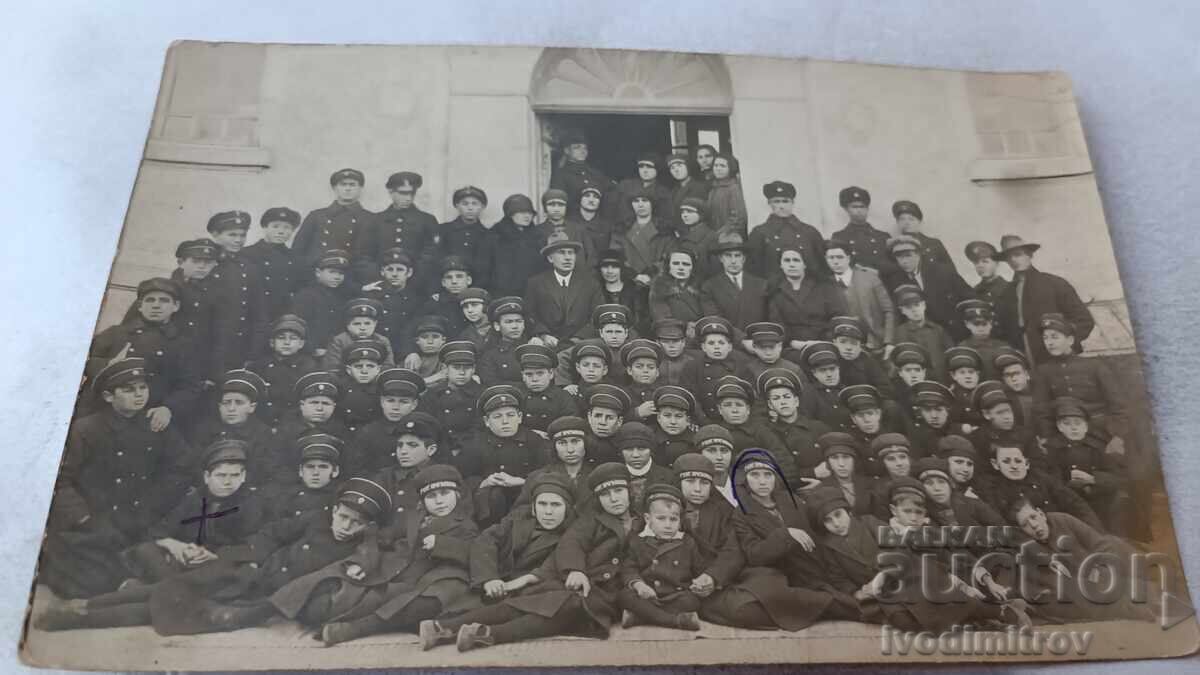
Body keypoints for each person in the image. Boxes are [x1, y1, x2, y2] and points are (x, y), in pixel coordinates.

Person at [39, 475, 392, 637]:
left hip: (258, 594)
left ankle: (78, 617)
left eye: (357, 523)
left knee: (167, 607)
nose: (345, 526)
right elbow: (272, 532)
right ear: (333, 510)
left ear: (369, 525)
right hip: (243, 569)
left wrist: (370, 541)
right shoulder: (314, 519)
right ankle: (88, 604)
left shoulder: (360, 548)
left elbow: (365, 564)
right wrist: (253, 557)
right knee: (172, 586)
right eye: (342, 516)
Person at [37, 440, 266, 631]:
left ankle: (82, 612)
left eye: (235, 475)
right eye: (221, 475)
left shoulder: (251, 504)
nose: (228, 482)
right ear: (207, 476)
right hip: (182, 569)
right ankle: (86, 609)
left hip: (218, 574)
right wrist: (175, 545)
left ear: (244, 476)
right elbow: (157, 532)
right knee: (153, 561)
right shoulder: (194, 499)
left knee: (167, 598)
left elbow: (256, 544)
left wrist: (212, 556)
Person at [41, 358, 191, 599]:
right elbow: (60, 480)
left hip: (140, 515)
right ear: (109, 397)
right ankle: (120, 585)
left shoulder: (155, 424)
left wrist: (153, 503)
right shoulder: (85, 430)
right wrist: (84, 516)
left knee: (155, 556)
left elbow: (182, 468)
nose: (139, 395)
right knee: (76, 559)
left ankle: (129, 582)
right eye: (128, 390)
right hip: (95, 516)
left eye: (142, 388)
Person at [447, 463, 636, 651]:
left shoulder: (646, 522)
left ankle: (486, 634)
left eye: (619, 491)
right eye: (605, 494)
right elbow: (571, 544)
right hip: (577, 584)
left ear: (630, 491)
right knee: (539, 603)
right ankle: (447, 628)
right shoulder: (590, 521)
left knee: (563, 605)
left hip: (611, 594)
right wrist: (575, 570)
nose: (613, 499)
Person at [813, 482, 1032, 632]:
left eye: (838, 515)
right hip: (883, 595)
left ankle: (1000, 611)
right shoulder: (829, 547)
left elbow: (899, 549)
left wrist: (883, 576)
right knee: (903, 621)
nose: (837, 523)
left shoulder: (869, 523)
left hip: (907, 577)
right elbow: (839, 579)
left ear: (848, 512)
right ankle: (977, 622)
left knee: (935, 595)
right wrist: (860, 591)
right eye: (829, 521)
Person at [318, 465, 479, 646]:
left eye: (445, 494)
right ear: (423, 501)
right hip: (400, 574)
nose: (439, 501)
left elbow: (473, 552)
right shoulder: (413, 519)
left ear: (457, 495)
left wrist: (441, 544)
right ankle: (330, 622)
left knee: (410, 606)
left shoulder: (466, 524)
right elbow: (380, 537)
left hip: (435, 581)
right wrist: (366, 561)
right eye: (431, 496)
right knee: (365, 598)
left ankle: (353, 629)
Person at [418, 473, 579, 651]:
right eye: (542, 504)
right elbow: (486, 541)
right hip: (493, 584)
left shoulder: (574, 534)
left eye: (556, 505)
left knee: (542, 603)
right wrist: (489, 578)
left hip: (528, 589)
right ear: (533, 508)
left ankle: (448, 629)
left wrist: (510, 585)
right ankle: (443, 628)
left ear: (568, 508)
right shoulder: (517, 519)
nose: (548, 512)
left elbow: (550, 568)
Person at [701, 455, 856, 631]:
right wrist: (785, 534)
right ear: (745, 478)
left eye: (768, 475)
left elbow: (819, 533)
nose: (762, 482)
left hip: (808, 571)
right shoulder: (742, 513)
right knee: (751, 607)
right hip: (776, 575)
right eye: (755, 475)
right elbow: (754, 555)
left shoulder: (792, 501)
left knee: (836, 598)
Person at [86, 277, 203, 429]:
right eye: (150, 300)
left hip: (151, 417)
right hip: (107, 414)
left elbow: (190, 386)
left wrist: (168, 408)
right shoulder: (116, 334)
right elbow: (83, 364)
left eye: (164, 300)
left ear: (176, 306)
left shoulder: (183, 344)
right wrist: (109, 365)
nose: (156, 305)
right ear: (140, 306)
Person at [994, 234, 1094, 366]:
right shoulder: (1006, 294)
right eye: (1009, 257)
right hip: (1024, 360)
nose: (1013, 260)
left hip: (1057, 358)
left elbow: (1084, 320)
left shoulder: (1054, 284)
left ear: (1029, 255)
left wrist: (1065, 344)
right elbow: (1003, 330)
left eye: (1018, 254)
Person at [617, 484, 706, 630]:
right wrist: (638, 585)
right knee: (624, 596)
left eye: (673, 519)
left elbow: (698, 568)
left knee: (692, 601)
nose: (668, 525)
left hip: (675, 595)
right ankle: (674, 621)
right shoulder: (638, 541)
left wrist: (699, 582)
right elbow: (628, 569)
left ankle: (640, 616)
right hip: (646, 594)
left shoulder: (687, 542)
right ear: (648, 518)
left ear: (680, 520)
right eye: (661, 519)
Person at [1031, 312, 1128, 442]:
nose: (1049, 342)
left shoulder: (1094, 366)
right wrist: (1047, 437)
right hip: (1063, 436)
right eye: (1046, 338)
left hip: (1100, 433)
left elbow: (1118, 405)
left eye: (1054, 337)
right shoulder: (1044, 371)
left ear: (1070, 340)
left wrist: (1117, 436)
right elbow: (1042, 409)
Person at [1044, 396, 1133, 536]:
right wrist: (1070, 485)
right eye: (1067, 424)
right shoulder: (1053, 449)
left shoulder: (1096, 447)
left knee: (1115, 504)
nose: (1073, 428)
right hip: (1068, 501)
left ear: (1086, 426)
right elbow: (1052, 480)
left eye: (1078, 423)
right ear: (1059, 427)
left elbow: (1117, 477)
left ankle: (1112, 540)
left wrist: (1093, 479)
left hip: (1097, 498)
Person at [465, 385, 548, 527]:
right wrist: (484, 482)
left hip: (526, 499)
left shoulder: (534, 440)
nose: (505, 421)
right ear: (486, 421)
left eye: (510, 415)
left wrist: (522, 481)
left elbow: (548, 471)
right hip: (492, 507)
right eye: (497, 416)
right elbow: (464, 476)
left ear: (520, 417)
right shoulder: (476, 444)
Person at [983, 441, 1103, 530]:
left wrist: (1095, 532)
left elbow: (1076, 504)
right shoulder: (994, 490)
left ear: (1027, 463)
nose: (1014, 466)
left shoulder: (1043, 479)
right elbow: (1000, 524)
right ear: (995, 464)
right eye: (1006, 461)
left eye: (1018, 461)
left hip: (1060, 532)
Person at [672, 453, 744, 601]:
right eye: (690, 481)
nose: (698, 489)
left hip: (714, 578)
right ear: (678, 483)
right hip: (675, 579)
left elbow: (733, 549)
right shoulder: (665, 509)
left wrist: (713, 576)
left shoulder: (724, 511)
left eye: (704, 483)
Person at [205, 210, 269, 376]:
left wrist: (253, 352)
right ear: (215, 234)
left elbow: (259, 314)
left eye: (242, 235)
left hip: (236, 348)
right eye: (232, 234)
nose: (238, 240)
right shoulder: (203, 264)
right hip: (205, 346)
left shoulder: (248, 268)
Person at [353, 171, 439, 290]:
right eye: (403, 193)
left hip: (416, 286)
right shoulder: (375, 221)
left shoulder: (427, 220)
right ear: (391, 192)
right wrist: (379, 278)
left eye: (412, 193)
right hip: (380, 285)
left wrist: (413, 279)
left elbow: (430, 255)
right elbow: (364, 255)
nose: (408, 198)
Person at [882, 235, 975, 342]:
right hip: (926, 337)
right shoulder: (896, 280)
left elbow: (969, 297)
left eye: (908, 255)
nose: (904, 261)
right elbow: (899, 312)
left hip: (954, 331)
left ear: (918, 254)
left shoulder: (943, 271)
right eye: (899, 257)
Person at [188, 369, 275, 483]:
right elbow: (194, 465)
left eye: (239, 403)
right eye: (226, 402)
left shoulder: (263, 434)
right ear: (219, 406)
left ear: (252, 407)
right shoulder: (205, 430)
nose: (231, 409)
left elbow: (261, 471)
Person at [757, 368, 832, 488]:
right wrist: (813, 473)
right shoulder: (769, 434)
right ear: (770, 405)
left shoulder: (819, 428)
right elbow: (775, 472)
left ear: (796, 401)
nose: (783, 402)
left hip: (827, 487)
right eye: (776, 398)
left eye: (786, 397)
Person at [524, 237, 603, 349]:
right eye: (561, 253)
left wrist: (579, 338)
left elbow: (597, 316)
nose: (567, 258)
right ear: (550, 258)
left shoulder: (590, 284)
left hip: (581, 345)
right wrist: (543, 334)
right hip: (548, 344)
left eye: (571, 253)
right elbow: (529, 313)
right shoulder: (536, 283)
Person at [293, 168, 372, 277]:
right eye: (343, 184)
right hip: (316, 275)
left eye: (352, 185)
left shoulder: (369, 218)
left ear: (360, 188)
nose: (348, 189)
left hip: (350, 276)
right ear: (334, 188)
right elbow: (298, 250)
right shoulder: (316, 216)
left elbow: (368, 255)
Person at [767, 248, 847, 355]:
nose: (791, 264)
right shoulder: (775, 290)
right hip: (790, 348)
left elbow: (837, 318)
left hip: (824, 344)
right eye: (787, 260)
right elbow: (776, 323)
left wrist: (823, 341)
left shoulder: (824, 287)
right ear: (781, 265)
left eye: (796, 260)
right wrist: (793, 343)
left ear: (805, 264)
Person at [825, 239, 895, 358]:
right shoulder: (826, 285)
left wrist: (889, 342)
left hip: (876, 345)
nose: (835, 262)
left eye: (839, 257)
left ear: (848, 258)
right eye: (831, 258)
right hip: (844, 349)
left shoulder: (869, 278)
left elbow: (889, 310)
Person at [246, 314, 320, 426]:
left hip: (294, 423)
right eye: (281, 338)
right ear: (272, 343)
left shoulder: (309, 367)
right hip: (262, 422)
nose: (287, 342)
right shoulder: (259, 366)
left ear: (301, 344)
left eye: (293, 338)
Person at [511, 416, 594, 511]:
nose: (570, 449)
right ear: (554, 447)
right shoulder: (537, 477)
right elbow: (519, 513)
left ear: (586, 443)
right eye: (562, 443)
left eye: (575, 441)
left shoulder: (597, 476)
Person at [747, 181, 827, 277]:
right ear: (769, 203)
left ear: (792, 202)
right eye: (776, 201)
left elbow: (822, 266)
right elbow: (753, 270)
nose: (781, 206)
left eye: (785, 201)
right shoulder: (760, 233)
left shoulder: (809, 231)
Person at [420, 343, 481, 464]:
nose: (462, 373)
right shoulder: (432, 395)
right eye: (456, 367)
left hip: (471, 453)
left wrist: (462, 449)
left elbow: (480, 429)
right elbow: (427, 428)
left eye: (467, 367)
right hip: (439, 452)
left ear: (474, 369)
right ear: (446, 368)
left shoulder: (481, 394)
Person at [481, 193, 549, 297]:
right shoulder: (494, 236)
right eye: (522, 212)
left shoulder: (538, 237)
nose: (527, 216)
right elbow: (485, 270)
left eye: (530, 213)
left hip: (532, 294)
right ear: (510, 214)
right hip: (502, 294)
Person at [241, 206, 302, 321]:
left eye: (287, 228)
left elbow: (299, 290)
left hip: (284, 316)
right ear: (264, 227)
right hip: (253, 315)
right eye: (275, 226)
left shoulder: (295, 258)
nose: (281, 231)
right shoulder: (247, 254)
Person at [701, 231, 768, 330]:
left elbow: (766, 319)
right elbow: (716, 321)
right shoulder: (709, 286)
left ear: (744, 258)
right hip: (726, 341)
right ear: (721, 258)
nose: (733, 261)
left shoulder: (761, 284)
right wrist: (740, 340)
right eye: (728, 255)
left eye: (737, 255)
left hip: (756, 341)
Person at [290, 249, 352, 357]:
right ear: (318, 273)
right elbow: (298, 327)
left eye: (341, 273)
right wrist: (312, 348)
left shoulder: (342, 296)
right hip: (311, 354)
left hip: (337, 353)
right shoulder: (306, 296)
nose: (337, 277)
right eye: (332, 272)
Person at [273, 433, 344, 522]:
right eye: (310, 466)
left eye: (323, 467)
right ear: (300, 471)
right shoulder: (286, 498)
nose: (315, 473)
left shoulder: (341, 499)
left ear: (335, 471)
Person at [364, 248, 424, 352]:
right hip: (376, 349)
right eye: (390, 269)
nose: (395, 274)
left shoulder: (416, 298)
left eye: (400, 270)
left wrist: (412, 352)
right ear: (382, 271)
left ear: (409, 272)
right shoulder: (372, 295)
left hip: (405, 350)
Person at [550, 130, 616, 217]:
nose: (582, 151)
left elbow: (612, 191)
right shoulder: (560, 175)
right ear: (567, 150)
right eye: (577, 147)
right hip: (573, 222)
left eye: (585, 148)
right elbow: (559, 203)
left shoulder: (595, 173)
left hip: (597, 222)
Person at [517, 343, 580, 433]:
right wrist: (531, 435)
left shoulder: (563, 397)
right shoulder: (517, 396)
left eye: (540, 373)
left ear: (551, 373)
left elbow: (570, 426)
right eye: (529, 374)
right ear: (522, 376)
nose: (535, 379)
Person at [615, 421, 676, 512]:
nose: (635, 455)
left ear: (651, 450)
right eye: (629, 449)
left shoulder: (669, 477)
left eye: (641, 448)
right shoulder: (614, 476)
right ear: (621, 452)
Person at [816, 431, 880, 517]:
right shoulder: (821, 490)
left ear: (854, 460)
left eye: (846, 457)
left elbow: (882, 518)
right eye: (834, 458)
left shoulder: (872, 485)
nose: (841, 464)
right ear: (828, 462)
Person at [322, 298, 395, 371]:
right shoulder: (339, 341)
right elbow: (333, 367)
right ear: (348, 325)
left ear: (375, 324)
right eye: (357, 324)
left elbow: (388, 366)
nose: (362, 328)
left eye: (367, 323)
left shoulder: (382, 341)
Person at [612, 187, 670, 281]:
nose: (640, 205)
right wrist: (633, 275)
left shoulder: (665, 230)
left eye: (645, 200)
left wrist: (650, 274)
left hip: (656, 280)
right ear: (631, 204)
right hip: (629, 280)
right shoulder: (621, 229)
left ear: (652, 204)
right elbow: (616, 255)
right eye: (636, 201)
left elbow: (669, 257)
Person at [830, 186, 891, 273]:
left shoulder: (882, 236)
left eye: (862, 207)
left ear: (867, 208)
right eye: (854, 207)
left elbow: (891, 265)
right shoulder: (839, 237)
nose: (859, 210)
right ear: (846, 209)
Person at [438, 186, 490, 281]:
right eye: (465, 204)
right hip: (447, 283)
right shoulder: (443, 230)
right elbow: (435, 262)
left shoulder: (488, 235)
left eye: (475, 204)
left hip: (476, 286)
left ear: (482, 207)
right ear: (457, 206)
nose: (470, 208)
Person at [477, 296, 531, 386]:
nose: (515, 326)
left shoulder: (532, 349)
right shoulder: (490, 355)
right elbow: (491, 382)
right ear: (497, 326)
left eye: (519, 321)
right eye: (509, 322)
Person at [648, 245, 704, 329]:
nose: (680, 268)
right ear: (668, 266)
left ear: (693, 268)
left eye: (686, 264)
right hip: (671, 334)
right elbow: (662, 319)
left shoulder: (702, 287)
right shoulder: (659, 288)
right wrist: (686, 325)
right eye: (676, 263)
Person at [595, 248, 649, 334]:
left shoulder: (637, 291)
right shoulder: (596, 292)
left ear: (621, 268)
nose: (610, 271)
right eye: (605, 266)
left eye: (614, 267)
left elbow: (642, 322)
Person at [891, 200, 953, 267]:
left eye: (911, 219)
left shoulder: (934, 244)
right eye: (902, 219)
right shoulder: (892, 246)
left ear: (919, 222)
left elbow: (952, 273)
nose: (907, 223)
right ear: (897, 222)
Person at [582, 384, 633, 466]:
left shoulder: (625, 447)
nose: (602, 422)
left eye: (609, 417)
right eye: (598, 416)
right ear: (589, 417)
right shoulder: (580, 443)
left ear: (619, 421)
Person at [673, 197, 722, 280]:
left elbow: (715, 269)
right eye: (683, 212)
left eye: (690, 212)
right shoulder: (682, 236)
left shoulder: (711, 237)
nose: (685, 215)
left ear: (701, 214)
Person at [616, 152, 672, 225]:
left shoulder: (663, 192)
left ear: (657, 169)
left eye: (649, 167)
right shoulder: (625, 186)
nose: (644, 170)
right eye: (641, 166)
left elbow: (665, 219)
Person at [619, 338, 666, 420]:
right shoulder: (622, 395)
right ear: (629, 370)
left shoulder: (664, 394)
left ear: (657, 372)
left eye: (651, 367)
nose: (645, 371)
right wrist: (637, 413)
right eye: (639, 367)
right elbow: (615, 419)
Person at [565, 183, 616, 259]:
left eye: (596, 197)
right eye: (587, 196)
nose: (591, 200)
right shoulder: (568, 223)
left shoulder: (606, 226)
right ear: (580, 199)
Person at [651, 385, 698, 465]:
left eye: (678, 416)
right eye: (667, 415)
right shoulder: (651, 439)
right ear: (658, 417)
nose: (673, 422)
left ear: (688, 420)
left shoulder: (695, 442)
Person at [705, 152, 748, 237]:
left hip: (729, 237)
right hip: (714, 235)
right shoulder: (713, 188)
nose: (718, 169)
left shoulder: (733, 188)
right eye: (716, 165)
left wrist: (719, 234)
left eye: (722, 166)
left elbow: (738, 218)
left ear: (730, 168)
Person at [666, 152, 710, 229]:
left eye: (679, 166)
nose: (676, 170)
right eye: (672, 168)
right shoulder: (674, 190)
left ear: (688, 167)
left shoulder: (698, 188)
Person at [964, 240, 1010, 306]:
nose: (980, 266)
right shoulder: (974, 291)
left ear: (997, 263)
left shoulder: (1009, 289)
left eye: (985, 261)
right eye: (976, 262)